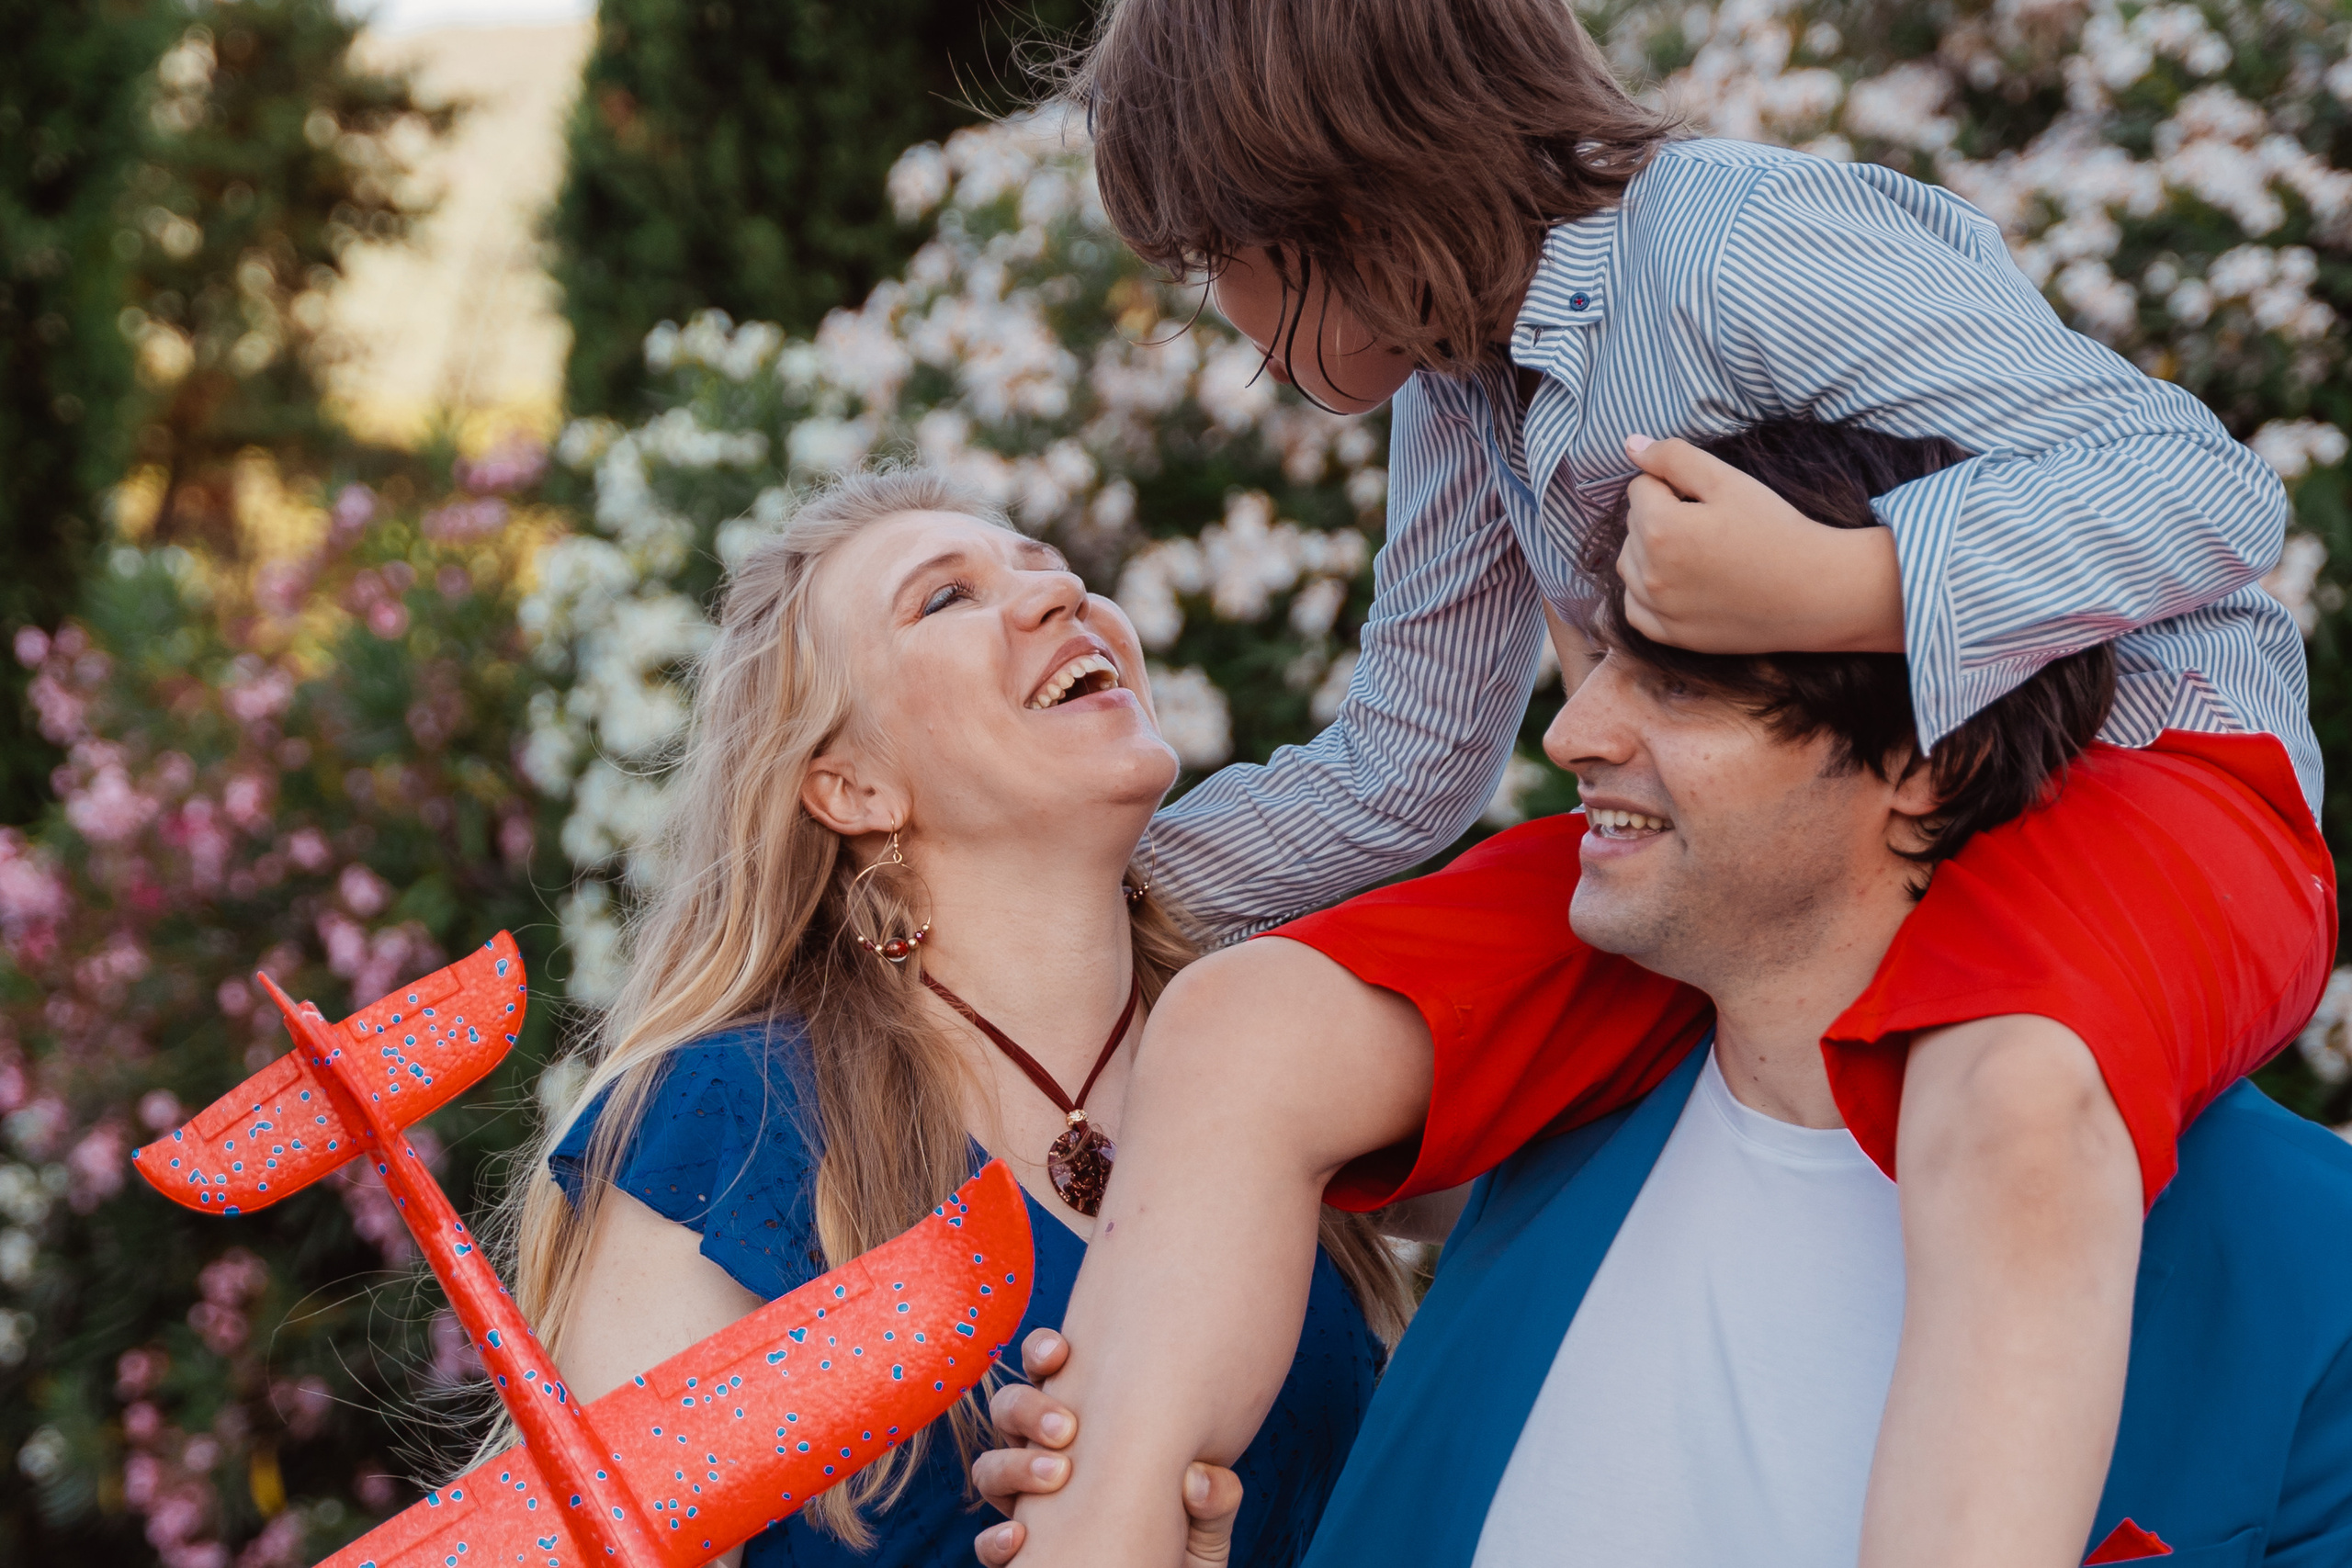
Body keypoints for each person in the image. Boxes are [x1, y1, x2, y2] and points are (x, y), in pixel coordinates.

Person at [1020, 0, 2335, 1559]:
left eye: (1210, 255)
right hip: (1772, 828)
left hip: (2150, 763)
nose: (1214, 311)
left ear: (1329, 192)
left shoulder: (1741, 246)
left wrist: (1844, 589)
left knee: (2017, 1096)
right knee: (1249, 1025)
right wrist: (1046, 891)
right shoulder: (1466, 387)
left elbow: (2206, 488)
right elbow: (1401, 764)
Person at [490, 471, 1413, 1568]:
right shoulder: (730, 1132)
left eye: (1044, 565)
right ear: (852, 789)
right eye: (944, 599)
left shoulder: (1286, 1057)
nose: (1060, 591)